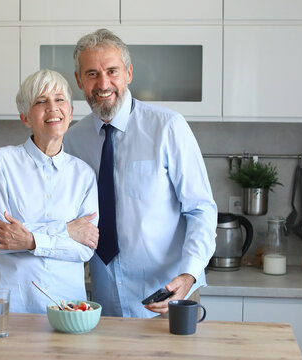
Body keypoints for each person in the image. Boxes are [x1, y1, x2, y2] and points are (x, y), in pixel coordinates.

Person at [63, 29, 217, 318]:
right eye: (92, 73)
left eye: (112, 71)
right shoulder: (72, 140)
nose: (103, 83)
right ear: (79, 80)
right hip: (103, 301)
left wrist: (189, 275)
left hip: (169, 296)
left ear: (129, 73)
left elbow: (201, 210)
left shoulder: (168, 127)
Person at [0, 69, 99, 313]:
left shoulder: (84, 174)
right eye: (41, 101)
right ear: (25, 117)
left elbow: (85, 248)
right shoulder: (1, 162)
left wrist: (29, 239)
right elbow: (0, 238)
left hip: (68, 310)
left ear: (70, 113)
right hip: (12, 307)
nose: (53, 108)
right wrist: (65, 230)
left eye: (59, 100)